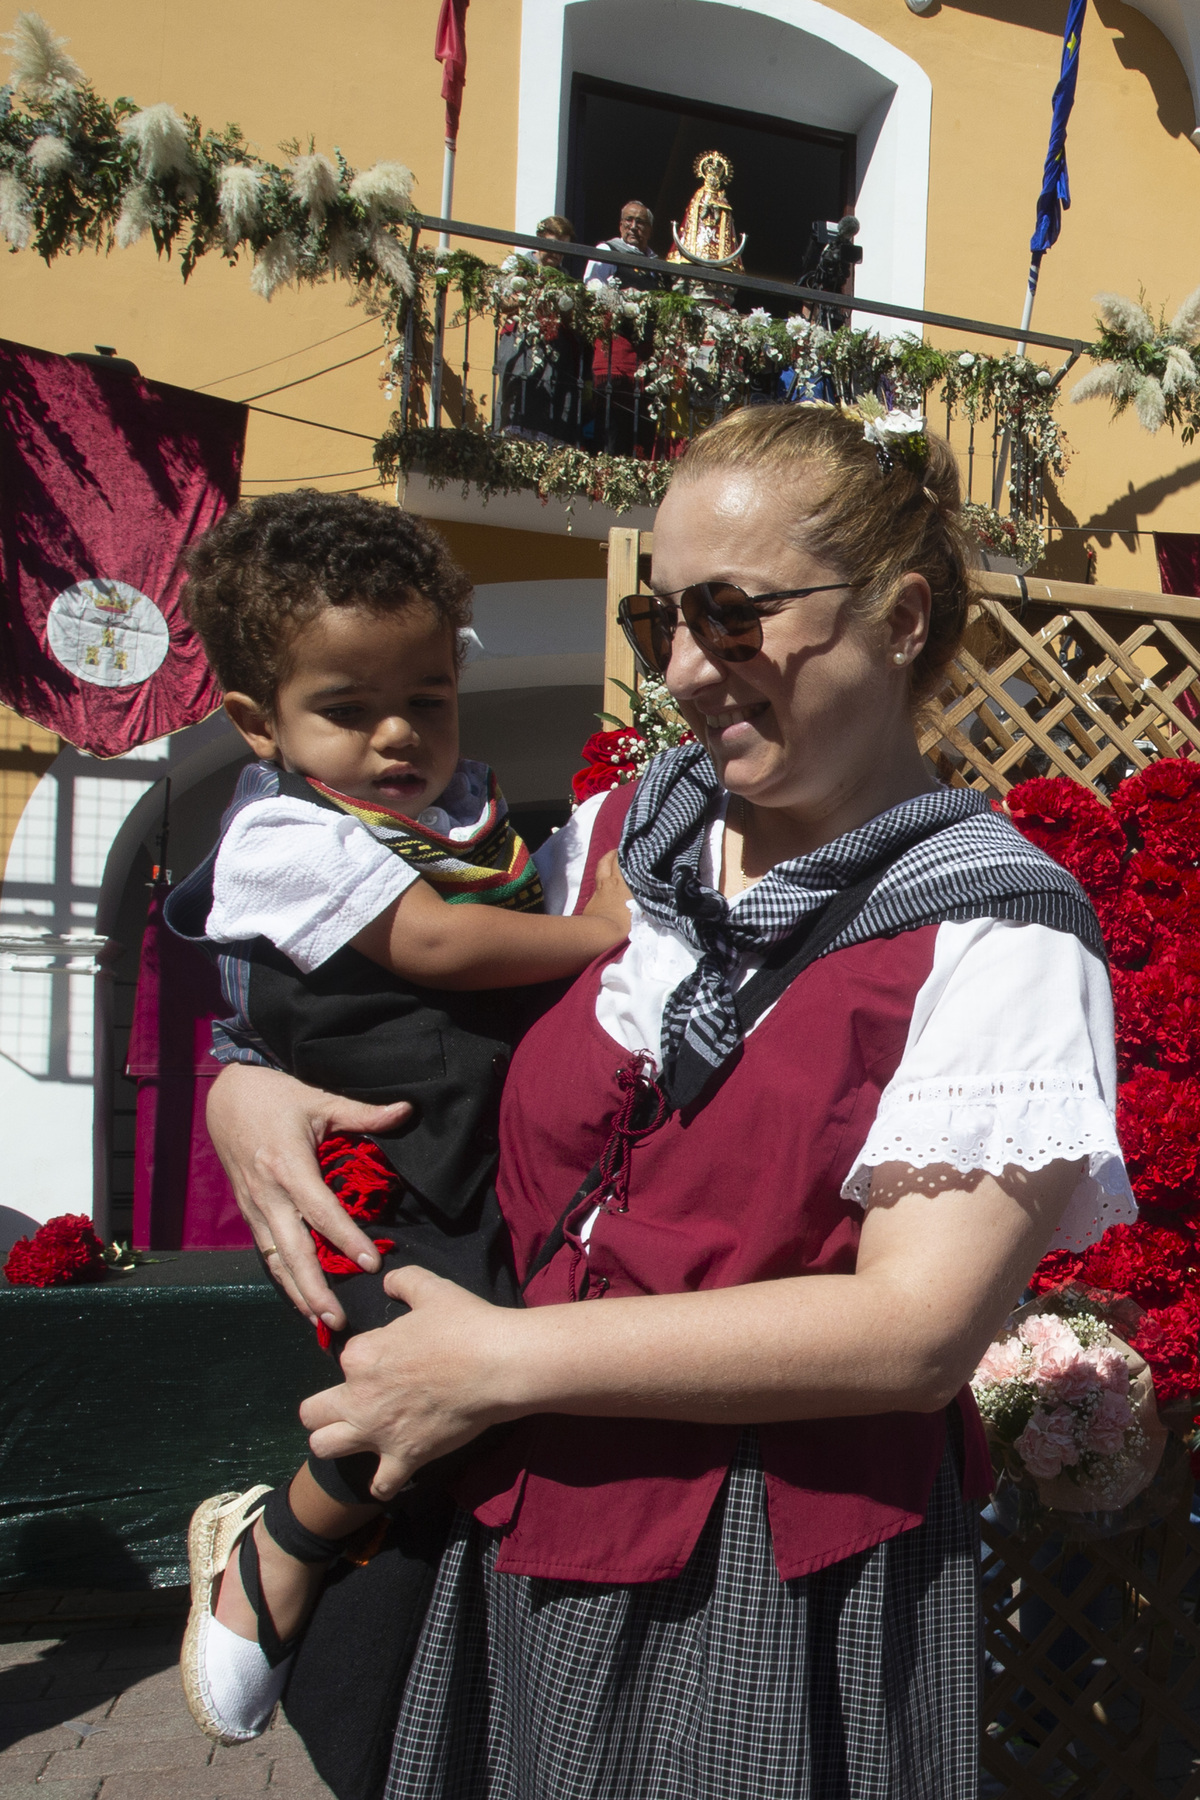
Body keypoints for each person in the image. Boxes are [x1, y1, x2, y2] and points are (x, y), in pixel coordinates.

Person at [206, 405, 1135, 1800]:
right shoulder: (624, 840)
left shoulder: (997, 933)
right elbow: (410, 1012)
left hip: (769, 1576)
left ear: (899, 617)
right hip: (512, 1522)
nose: (688, 670)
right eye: (663, 624)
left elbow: (913, 1334)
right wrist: (248, 1083)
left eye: (732, 614)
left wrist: (500, 1367)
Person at [166, 490, 631, 1749]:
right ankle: (289, 1530)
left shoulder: (459, 812)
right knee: (422, 1384)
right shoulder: (278, 837)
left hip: (464, 1164)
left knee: (481, 1398)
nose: (394, 736)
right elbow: (427, 938)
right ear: (260, 723)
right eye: (348, 707)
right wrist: (591, 929)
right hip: (379, 1179)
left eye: (424, 700)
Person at [495, 215, 585, 444]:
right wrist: (533, 297)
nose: (556, 254)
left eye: (562, 249)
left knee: (550, 414)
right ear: (539, 240)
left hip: (554, 353)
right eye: (552, 245)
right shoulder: (517, 267)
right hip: (522, 345)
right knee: (517, 406)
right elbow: (501, 302)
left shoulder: (566, 279)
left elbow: (574, 321)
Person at [584, 200, 662, 456]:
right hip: (616, 347)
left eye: (640, 222)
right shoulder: (607, 250)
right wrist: (626, 302)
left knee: (640, 419)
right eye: (629, 220)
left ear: (649, 230)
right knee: (612, 415)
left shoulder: (657, 266)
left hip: (645, 355)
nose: (634, 226)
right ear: (620, 225)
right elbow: (593, 289)